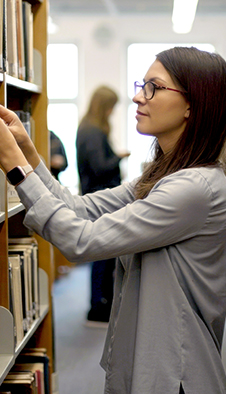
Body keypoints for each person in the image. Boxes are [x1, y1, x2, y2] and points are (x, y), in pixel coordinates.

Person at [0, 46, 226, 394]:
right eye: (141, 85)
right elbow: (80, 208)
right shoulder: (165, 176)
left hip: (175, 375)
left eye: (153, 88)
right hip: (145, 361)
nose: (137, 97)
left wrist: (15, 167)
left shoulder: (195, 188)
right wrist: (29, 154)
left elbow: (81, 241)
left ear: (192, 104)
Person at [75, 85, 128, 326]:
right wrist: (119, 157)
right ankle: (98, 307)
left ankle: (101, 303)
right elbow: (99, 167)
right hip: (101, 197)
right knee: (102, 256)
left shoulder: (87, 128)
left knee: (104, 255)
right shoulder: (93, 132)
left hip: (96, 195)